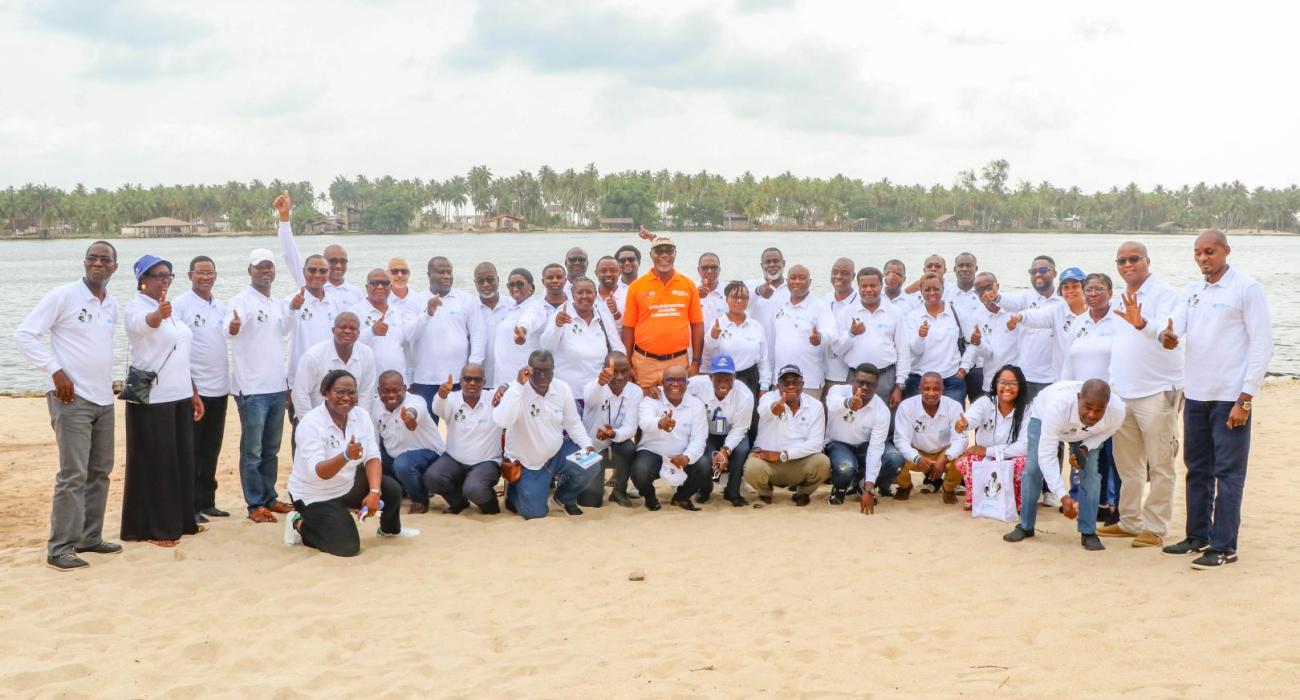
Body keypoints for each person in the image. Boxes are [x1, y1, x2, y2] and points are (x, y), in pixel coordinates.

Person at [1158, 230, 1272, 569]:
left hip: (1230, 398)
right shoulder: (1193, 291)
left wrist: (1246, 398)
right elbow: (1175, 327)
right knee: (1197, 469)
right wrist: (1168, 336)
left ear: (1226, 251)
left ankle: (1224, 546)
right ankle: (1198, 535)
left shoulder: (1246, 289)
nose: (1203, 258)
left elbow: (1262, 345)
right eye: (1198, 253)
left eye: (1209, 251)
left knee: (1229, 473)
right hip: (1195, 395)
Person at [15, 241, 122, 571]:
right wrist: (55, 370)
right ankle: (60, 547)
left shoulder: (112, 304)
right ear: (84, 262)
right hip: (71, 400)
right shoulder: (63, 296)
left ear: (114, 267)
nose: (98, 263)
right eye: (93, 258)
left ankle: (89, 537)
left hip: (104, 399)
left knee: (100, 472)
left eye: (105, 259)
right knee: (73, 474)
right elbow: (25, 335)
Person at [1098, 241, 1185, 548]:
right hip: (1123, 394)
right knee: (1128, 465)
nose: (1127, 264)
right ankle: (1130, 521)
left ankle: (1155, 528)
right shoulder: (1123, 299)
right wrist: (1112, 387)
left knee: (1160, 464)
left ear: (1148, 260)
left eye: (1134, 259)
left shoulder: (1165, 294)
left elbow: (1168, 333)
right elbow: (1119, 350)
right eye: (1121, 260)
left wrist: (1145, 324)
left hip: (1157, 392)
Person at [283, 370, 416, 557]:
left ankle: (388, 530)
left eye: (352, 392)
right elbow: (319, 472)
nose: (347, 397)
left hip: (347, 484)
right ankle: (298, 523)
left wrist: (374, 493)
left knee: (391, 489)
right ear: (326, 393)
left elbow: (372, 457)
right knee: (347, 548)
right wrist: (345, 456)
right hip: (314, 494)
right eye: (340, 392)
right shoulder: (310, 424)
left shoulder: (361, 416)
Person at [121, 254, 205, 547]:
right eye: (157, 275)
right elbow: (146, 324)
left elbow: (182, 353)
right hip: (153, 399)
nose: (164, 280)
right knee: (158, 465)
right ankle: (156, 528)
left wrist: (193, 393)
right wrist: (158, 314)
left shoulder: (174, 312)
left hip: (179, 394)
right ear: (142, 280)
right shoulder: (137, 308)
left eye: (168, 275)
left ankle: (182, 521)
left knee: (182, 461)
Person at [1002, 379, 1126, 551]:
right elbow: (1047, 455)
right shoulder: (1057, 407)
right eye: (1088, 408)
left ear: (1107, 405)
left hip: (1087, 435)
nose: (1092, 414)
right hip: (1043, 417)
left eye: (1099, 410)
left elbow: (1105, 432)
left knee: (1091, 476)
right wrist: (1062, 496)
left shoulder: (1117, 411)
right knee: (1032, 470)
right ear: (1078, 398)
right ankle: (1025, 525)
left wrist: (1084, 448)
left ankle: (1088, 531)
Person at [227, 247, 297, 523]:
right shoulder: (241, 301)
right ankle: (255, 503)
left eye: (269, 266)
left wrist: (294, 308)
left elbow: (286, 330)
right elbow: (230, 325)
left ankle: (269, 496)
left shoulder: (276, 303)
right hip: (251, 389)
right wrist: (233, 326)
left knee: (271, 449)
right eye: (259, 267)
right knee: (252, 450)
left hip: (277, 387)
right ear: (250, 271)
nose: (265, 271)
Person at [491, 350, 598, 519]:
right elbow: (502, 421)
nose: (542, 376)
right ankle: (513, 490)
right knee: (535, 513)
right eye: (537, 371)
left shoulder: (562, 388)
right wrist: (518, 386)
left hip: (556, 453)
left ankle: (563, 498)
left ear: (553, 370)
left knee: (591, 463)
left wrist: (587, 445)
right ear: (528, 369)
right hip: (527, 463)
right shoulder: (516, 389)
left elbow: (573, 423)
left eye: (547, 371)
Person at [172, 255, 232, 521]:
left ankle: (207, 501)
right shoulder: (180, 306)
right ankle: (189, 505)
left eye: (210, 273)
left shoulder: (221, 307)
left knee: (211, 448)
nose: (205, 277)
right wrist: (192, 388)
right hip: (194, 389)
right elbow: (176, 349)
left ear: (216, 276)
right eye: (200, 273)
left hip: (220, 388)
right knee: (192, 449)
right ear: (190, 275)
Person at [621, 234, 705, 388]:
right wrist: (627, 363)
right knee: (643, 405)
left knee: (676, 406)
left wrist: (696, 362)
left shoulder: (688, 285)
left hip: (678, 361)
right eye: (659, 251)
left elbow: (697, 325)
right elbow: (628, 328)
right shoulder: (637, 286)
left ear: (675, 254)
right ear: (651, 255)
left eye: (669, 250)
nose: (664, 255)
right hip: (644, 363)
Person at [743, 364, 830, 505]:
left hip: (799, 461)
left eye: (795, 382)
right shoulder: (768, 398)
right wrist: (774, 408)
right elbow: (763, 410)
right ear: (778, 385)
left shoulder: (815, 406)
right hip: (768, 461)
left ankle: (802, 493)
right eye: (785, 383)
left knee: (823, 463)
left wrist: (783, 454)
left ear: (803, 384)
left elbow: (816, 444)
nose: (791, 386)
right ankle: (765, 493)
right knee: (752, 469)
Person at [426, 363, 505, 514]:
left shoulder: (494, 398)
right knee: (432, 478)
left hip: (487, 462)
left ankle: (491, 507)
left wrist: (505, 386)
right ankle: (459, 503)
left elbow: (516, 389)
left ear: (484, 382)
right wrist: (441, 394)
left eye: (477, 379)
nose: (472, 383)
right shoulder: (451, 399)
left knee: (474, 489)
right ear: (460, 381)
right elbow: (437, 408)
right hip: (454, 459)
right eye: (467, 379)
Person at [409, 256, 485, 411]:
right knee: (427, 429)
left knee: (460, 426)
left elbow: (478, 334)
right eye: (441, 272)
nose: (446, 276)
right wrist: (427, 313)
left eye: (449, 272)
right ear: (429, 275)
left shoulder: (466, 299)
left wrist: (473, 367)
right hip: (425, 379)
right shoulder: (415, 301)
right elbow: (409, 336)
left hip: (459, 379)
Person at [632, 366, 710, 511]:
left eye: (681, 380)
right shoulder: (652, 398)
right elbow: (644, 422)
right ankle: (650, 498)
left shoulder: (696, 405)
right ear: (662, 382)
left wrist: (687, 457)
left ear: (687, 384)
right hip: (653, 451)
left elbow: (699, 438)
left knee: (704, 465)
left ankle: (682, 497)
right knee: (639, 471)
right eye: (670, 380)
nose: (675, 384)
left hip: (682, 454)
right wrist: (659, 423)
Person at [955, 364, 1030, 511]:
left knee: (1023, 463)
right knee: (965, 460)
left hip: (1011, 458)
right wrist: (964, 424)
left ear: (1021, 386)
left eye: (1013, 383)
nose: (1007, 387)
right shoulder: (985, 402)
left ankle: (1016, 501)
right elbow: (971, 418)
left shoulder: (1028, 409)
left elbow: (1024, 447)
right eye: (1002, 382)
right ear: (995, 384)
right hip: (988, 459)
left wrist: (986, 451)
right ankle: (976, 498)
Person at [832, 267, 909, 408]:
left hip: (885, 378)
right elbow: (837, 349)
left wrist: (899, 386)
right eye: (864, 286)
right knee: (853, 418)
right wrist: (851, 334)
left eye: (873, 285)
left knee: (885, 421)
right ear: (858, 286)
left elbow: (903, 351)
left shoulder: (895, 312)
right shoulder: (846, 312)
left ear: (881, 286)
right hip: (855, 377)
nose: (868, 290)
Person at [825, 363, 898, 507]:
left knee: (894, 457)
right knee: (845, 467)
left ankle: (862, 484)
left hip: (865, 446)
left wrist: (869, 487)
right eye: (861, 382)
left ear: (876, 386)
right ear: (853, 380)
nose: (864, 387)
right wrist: (849, 403)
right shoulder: (837, 391)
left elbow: (875, 448)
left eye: (870, 384)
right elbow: (832, 404)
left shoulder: (882, 410)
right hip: (838, 444)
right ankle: (839, 489)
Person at [687, 355, 754, 507]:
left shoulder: (745, 395)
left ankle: (733, 491)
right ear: (710, 377)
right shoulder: (697, 384)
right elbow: (674, 387)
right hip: (708, 433)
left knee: (742, 450)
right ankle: (705, 489)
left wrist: (725, 450)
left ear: (734, 377)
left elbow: (740, 428)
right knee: (705, 458)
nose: (723, 383)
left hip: (732, 432)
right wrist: (655, 391)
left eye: (728, 378)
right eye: (719, 378)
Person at [373, 370, 443, 514]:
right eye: (386, 391)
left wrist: (410, 417)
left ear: (405, 389)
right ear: (379, 391)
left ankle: (420, 500)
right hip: (394, 454)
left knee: (402, 464)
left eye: (396, 390)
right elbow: (374, 438)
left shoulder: (416, 400)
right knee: (372, 459)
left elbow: (414, 411)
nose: (391, 395)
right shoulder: (375, 406)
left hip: (428, 453)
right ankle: (400, 491)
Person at [540, 277, 626, 394]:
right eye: (580, 292)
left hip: (599, 390)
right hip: (569, 392)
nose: (585, 296)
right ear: (573, 295)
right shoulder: (561, 316)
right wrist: (557, 326)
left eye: (589, 292)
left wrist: (616, 370)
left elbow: (619, 349)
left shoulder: (603, 317)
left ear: (595, 295)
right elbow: (546, 346)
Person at [892, 372, 968, 503]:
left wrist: (945, 458)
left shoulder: (954, 406)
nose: (932, 393)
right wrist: (917, 457)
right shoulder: (906, 406)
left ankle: (948, 488)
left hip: (944, 452)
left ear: (943, 390)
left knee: (963, 459)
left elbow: (961, 440)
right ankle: (905, 486)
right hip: (917, 452)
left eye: (936, 389)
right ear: (920, 389)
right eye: (927, 388)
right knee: (895, 457)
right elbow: (900, 440)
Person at [995, 256, 1063, 401]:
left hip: (1055, 376)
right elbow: (1010, 301)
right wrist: (997, 297)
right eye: (1033, 271)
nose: (1038, 274)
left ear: (1055, 273)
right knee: (1024, 419)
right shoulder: (1025, 297)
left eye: (1043, 270)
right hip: (1027, 375)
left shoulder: (1064, 299)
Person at [582, 353, 644, 508]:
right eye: (615, 371)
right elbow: (589, 398)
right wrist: (600, 384)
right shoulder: (593, 387)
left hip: (617, 444)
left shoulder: (635, 392)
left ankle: (619, 491)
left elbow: (631, 428)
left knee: (629, 447)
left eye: (624, 371)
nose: (620, 377)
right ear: (604, 370)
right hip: (592, 448)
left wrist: (613, 434)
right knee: (590, 501)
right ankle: (593, 484)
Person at [769, 264, 837, 398]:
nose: (797, 281)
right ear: (787, 281)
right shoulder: (780, 306)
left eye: (802, 278)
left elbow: (833, 333)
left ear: (810, 282)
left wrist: (820, 338)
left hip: (808, 381)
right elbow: (773, 342)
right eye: (793, 278)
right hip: (780, 380)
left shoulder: (819, 306)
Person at [292, 313, 377, 419]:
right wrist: (310, 424)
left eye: (353, 328)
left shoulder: (367, 354)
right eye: (343, 327)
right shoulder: (313, 356)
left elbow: (366, 393)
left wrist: (361, 422)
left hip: (349, 422)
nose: (347, 331)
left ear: (358, 333)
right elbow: (300, 394)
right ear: (333, 330)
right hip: (313, 419)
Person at [905, 274, 970, 403]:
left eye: (936, 289)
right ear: (921, 291)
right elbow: (915, 350)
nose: (932, 293)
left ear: (943, 289)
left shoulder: (958, 313)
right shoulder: (913, 317)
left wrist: (964, 368)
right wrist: (920, 336)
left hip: (951, 379)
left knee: (955, 421)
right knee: (919, 421)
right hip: (920, 379)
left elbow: (972, 343)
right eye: (927, 289)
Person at [703, 280, 771, 398]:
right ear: (726, 299)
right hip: (723, 378)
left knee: (751, 416)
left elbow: (763, 360)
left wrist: (764, 386)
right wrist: (714, 335)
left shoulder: (756, 326)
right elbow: (709, 348)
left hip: (750, 379)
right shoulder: (717, 323)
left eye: (744, 297)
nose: (739, 301)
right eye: (734, 297)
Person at [962, 272, 1021, 395]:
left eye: (989, 287)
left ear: (997, 286)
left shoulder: (1015, 306)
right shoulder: (977, 315)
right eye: (980, 290)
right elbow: (988, 353)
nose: (985, 293)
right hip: (992, 381)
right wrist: (978, 343)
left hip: (1020, 379)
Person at [351, 269, 413, 381]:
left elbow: (405, 349)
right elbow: (347, 345)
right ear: (366, 287)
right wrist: (371, 332)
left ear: (390, 287)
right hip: (368, 384)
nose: (380, 287)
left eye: (385, 283)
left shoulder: (399, 313)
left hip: (398, 385)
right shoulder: (354, 313)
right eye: (374, 283)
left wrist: (409, 379)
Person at [492, 268, 547, 388]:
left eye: (520, 284)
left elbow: (529, 320)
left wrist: (522, 330)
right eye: (511, 285)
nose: (515, 288)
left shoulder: (536, 307)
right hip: (503, 379)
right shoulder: (512, 308)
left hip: (523, 381)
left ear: (531, 287)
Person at [474, 262, 514, 388]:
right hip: (478, 381)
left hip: (509, 379)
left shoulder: (513, 306)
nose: (486, 284)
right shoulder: (469, 308)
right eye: (481, 281)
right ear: (475, 283)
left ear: (498, 279)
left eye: (490, 280)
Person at [823, 257, 859, 392]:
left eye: (844, 273)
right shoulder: (824, 300)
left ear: (853, 276)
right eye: (835, 272)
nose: (838, 276)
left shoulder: (860, 303)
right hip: (822, 374)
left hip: (847, 376)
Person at [747, 247, 790, 331]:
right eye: (767, 262)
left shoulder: (793, 287)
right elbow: (737, 304)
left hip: (785, 343)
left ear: (783, 263)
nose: (772, 264)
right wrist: (758, 291)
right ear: (761, 265)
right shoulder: (751, 285)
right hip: (760, 342)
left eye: (776, 261)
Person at [593, 255, 626, 330]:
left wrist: (615, 312)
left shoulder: (628, 296)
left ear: (620, 272)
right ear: (596, 273)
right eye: (603, 271)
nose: (608, 274)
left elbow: (629, 327)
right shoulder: (588, 296)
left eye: (613, 271)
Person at [697, 252, 727, 329]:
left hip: (721, 339)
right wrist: (695, 296)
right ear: (698, 270)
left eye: (714, 267)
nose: (709, 271)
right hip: (695, 340)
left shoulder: (728, 292)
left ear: (719, 269)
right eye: (705, 268)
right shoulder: (690, 290)